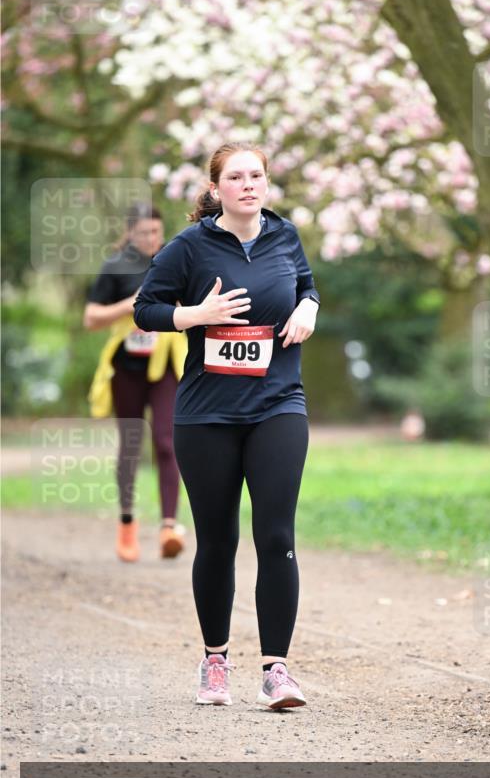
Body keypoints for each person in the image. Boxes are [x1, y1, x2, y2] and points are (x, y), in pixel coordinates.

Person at [133, 142, 320, 711]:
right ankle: (215, 661)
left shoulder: (285, 236)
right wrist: (197, 315)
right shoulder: (189, 247)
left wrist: (309, 306)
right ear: (216, 189)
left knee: (277, 536)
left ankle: (276, 671)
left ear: (267, 183)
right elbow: (146, 308)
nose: (247, 185)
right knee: (217, 539)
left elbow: (306, 285)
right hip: (206, 414)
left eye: (256, 175)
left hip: (278, 404)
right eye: (235, 177)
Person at [84, 204, 188, 562]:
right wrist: (130, 305)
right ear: (130, 232)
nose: (151, 239)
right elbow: (91, 318)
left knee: (166, 441)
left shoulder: (174, 261)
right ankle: (127, 524)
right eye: (144, 233)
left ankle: (169, 528)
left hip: (165, 366)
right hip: (126, 368)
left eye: (156, 232)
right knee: (130, 445)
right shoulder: (115, 266)